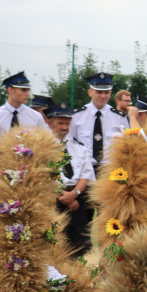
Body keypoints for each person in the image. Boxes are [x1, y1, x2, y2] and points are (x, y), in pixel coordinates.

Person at [46, 104, 94, 256]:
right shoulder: (43, 148)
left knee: (82, 244)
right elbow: (44, 175)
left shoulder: (79, 148)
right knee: (54, 242)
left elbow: (86, 175)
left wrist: (74, 194)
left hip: (77, 199)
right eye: (60, 123)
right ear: (50, 123)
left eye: (67, 123)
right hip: (52, 199)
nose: (64, 127)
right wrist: (64, 197)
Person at [70, 72, 129, 170]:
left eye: (106, 92)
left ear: (110, 93)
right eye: (99, 92)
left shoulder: (119, 117)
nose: (103, 96)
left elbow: (127, 144)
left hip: (110, 169)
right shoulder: (77, 116)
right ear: (90, 92)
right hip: (84, 169)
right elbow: (71, 143)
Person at [0, 71, 48, 153]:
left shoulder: (36, 116)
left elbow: (45, 142)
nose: (27, 94)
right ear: (10, 90)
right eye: (23, 90)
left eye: (28, 90)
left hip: (29, 163)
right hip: (2, 164)